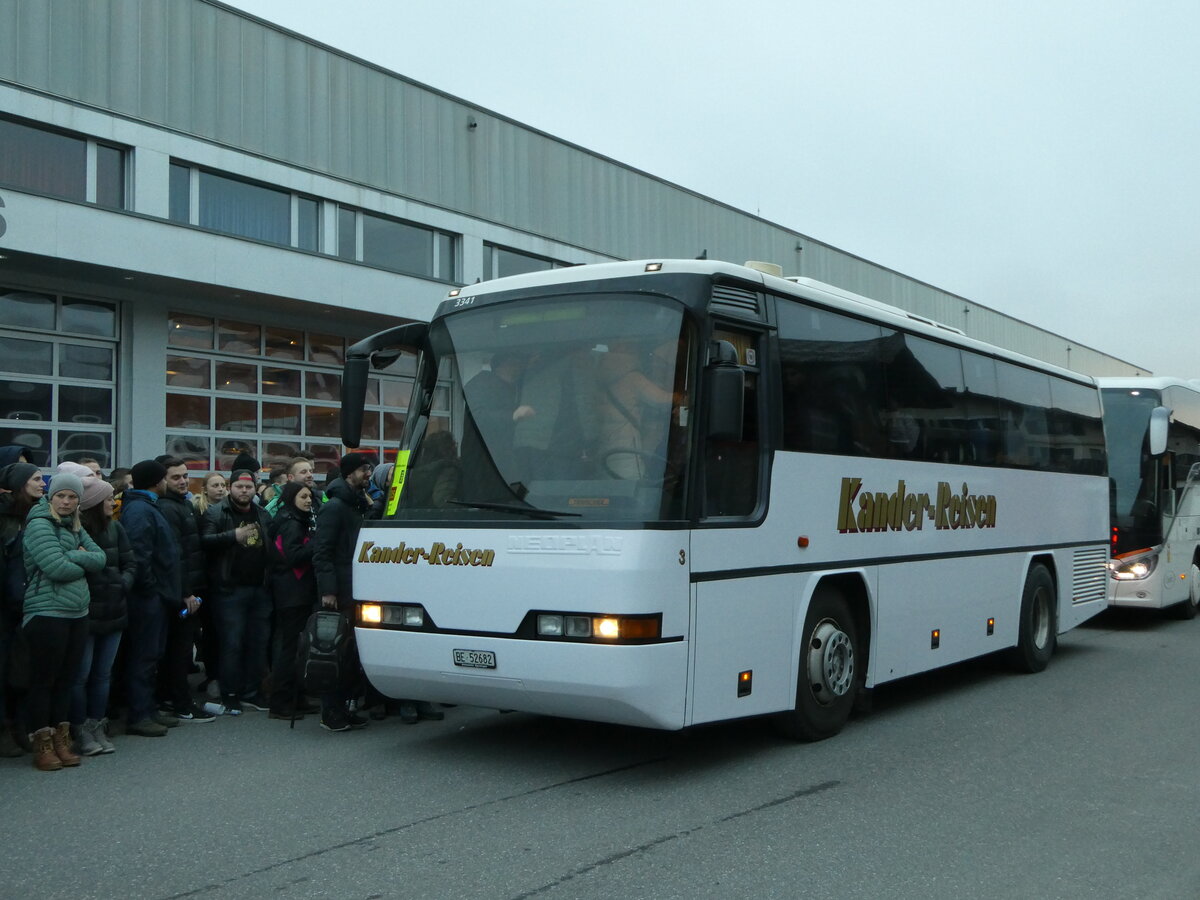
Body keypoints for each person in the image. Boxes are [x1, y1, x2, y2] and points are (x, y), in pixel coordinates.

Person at [21, 471, 105, 770]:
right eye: (61, 496)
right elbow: (56, 567)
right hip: (46, 613)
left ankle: (61, 739)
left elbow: (101, 558)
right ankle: (41, 743)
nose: (67, 502)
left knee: (67, 681)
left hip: (77, 613)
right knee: (44, 681)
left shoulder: (76, 525)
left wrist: (76, 556)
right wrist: (79, 557)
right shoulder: (39, 524)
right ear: (51, 497)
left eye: (72, 497)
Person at [200, 469, 273, 715]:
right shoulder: (216, 512)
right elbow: (204, 541)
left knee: (258, 643)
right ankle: (229, 693)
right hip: (229, 590)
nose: (244, 491)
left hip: (259, 589)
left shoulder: (262, 513)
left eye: (249, 487)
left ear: (254, 489)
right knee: (232, 644)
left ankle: (252, 693)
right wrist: (234, 535)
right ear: (231, 488)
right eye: (240, 487)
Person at [119, 459, 183, 737]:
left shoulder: (147, 506)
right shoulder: (139, 510)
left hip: (157, 594)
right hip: (148, 597)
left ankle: (149, 708)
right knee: (144, 656)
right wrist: (151, 589)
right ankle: (139, 714)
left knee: (153, 655)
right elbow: (139, 554)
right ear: (157, 481)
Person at [70, 475, 133, 756]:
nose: (113, 502)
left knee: (102, 674)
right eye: (108, 498)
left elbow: (131, 561)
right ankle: (79, 728)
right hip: (86, 610)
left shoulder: (116, 528)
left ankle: (97, 724)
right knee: (81, 675)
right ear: (95, 502)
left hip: (115, 610)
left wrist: (122, 583)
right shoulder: (75, 531)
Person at [312, 453, 374, 732]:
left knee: (350, 652)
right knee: (334, 650)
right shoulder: (335, 507)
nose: (368, 474)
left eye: (370, 469)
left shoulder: (356, 504)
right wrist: (328, 590)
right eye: (363, 470)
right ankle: (331, 711)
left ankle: (346, 706)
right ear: (349, 473)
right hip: (340, 591)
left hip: (356, 587)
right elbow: (322, 552)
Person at [153, 456, 212, 723]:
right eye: (175, 477)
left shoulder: (183, 504)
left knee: (180, 649)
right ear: (162, 480)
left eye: (185, 475)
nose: (183, 481)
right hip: (180, 594)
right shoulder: (167, 508)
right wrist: (186, 592)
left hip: (190, 589)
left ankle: (174, 697)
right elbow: (175, 555)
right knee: (179, 651)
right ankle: (180, 702)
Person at [0, 461, 45, 757]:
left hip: (32, 604)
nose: (43, 484)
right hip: (7, 607)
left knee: (25, 671)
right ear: (20, 484)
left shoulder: (39, 516)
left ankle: (21, 725)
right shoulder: (6, 519)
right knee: (5, 671)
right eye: (37, 479)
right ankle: (5, 729)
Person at [266, 482, 318, 719]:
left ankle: (297, 697)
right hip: (291, 592)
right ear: (291, 498)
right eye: (303, 496)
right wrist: (317, 544)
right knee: (289, 649)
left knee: (298, 648)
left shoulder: (297, 520)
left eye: (309, 496)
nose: (308, 500)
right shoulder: (290, 523)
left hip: (296, 591)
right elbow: (293, 556)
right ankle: (282, 702)